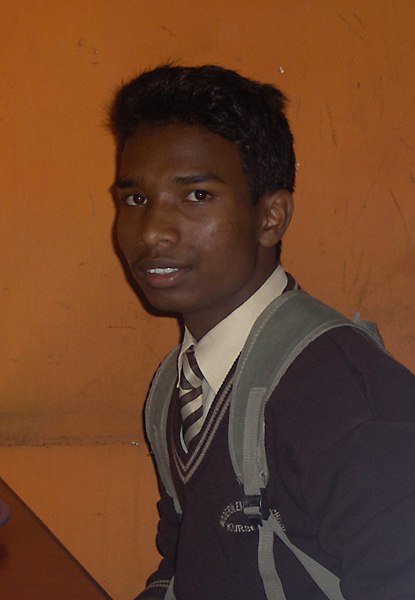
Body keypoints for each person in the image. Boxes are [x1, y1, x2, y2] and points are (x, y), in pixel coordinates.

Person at [110, 65, 415, 600]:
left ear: (271, 217)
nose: (152, 230)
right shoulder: (176, 384)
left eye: (196, 195)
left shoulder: (343, 395)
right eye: (135, 200)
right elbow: (181, 561)